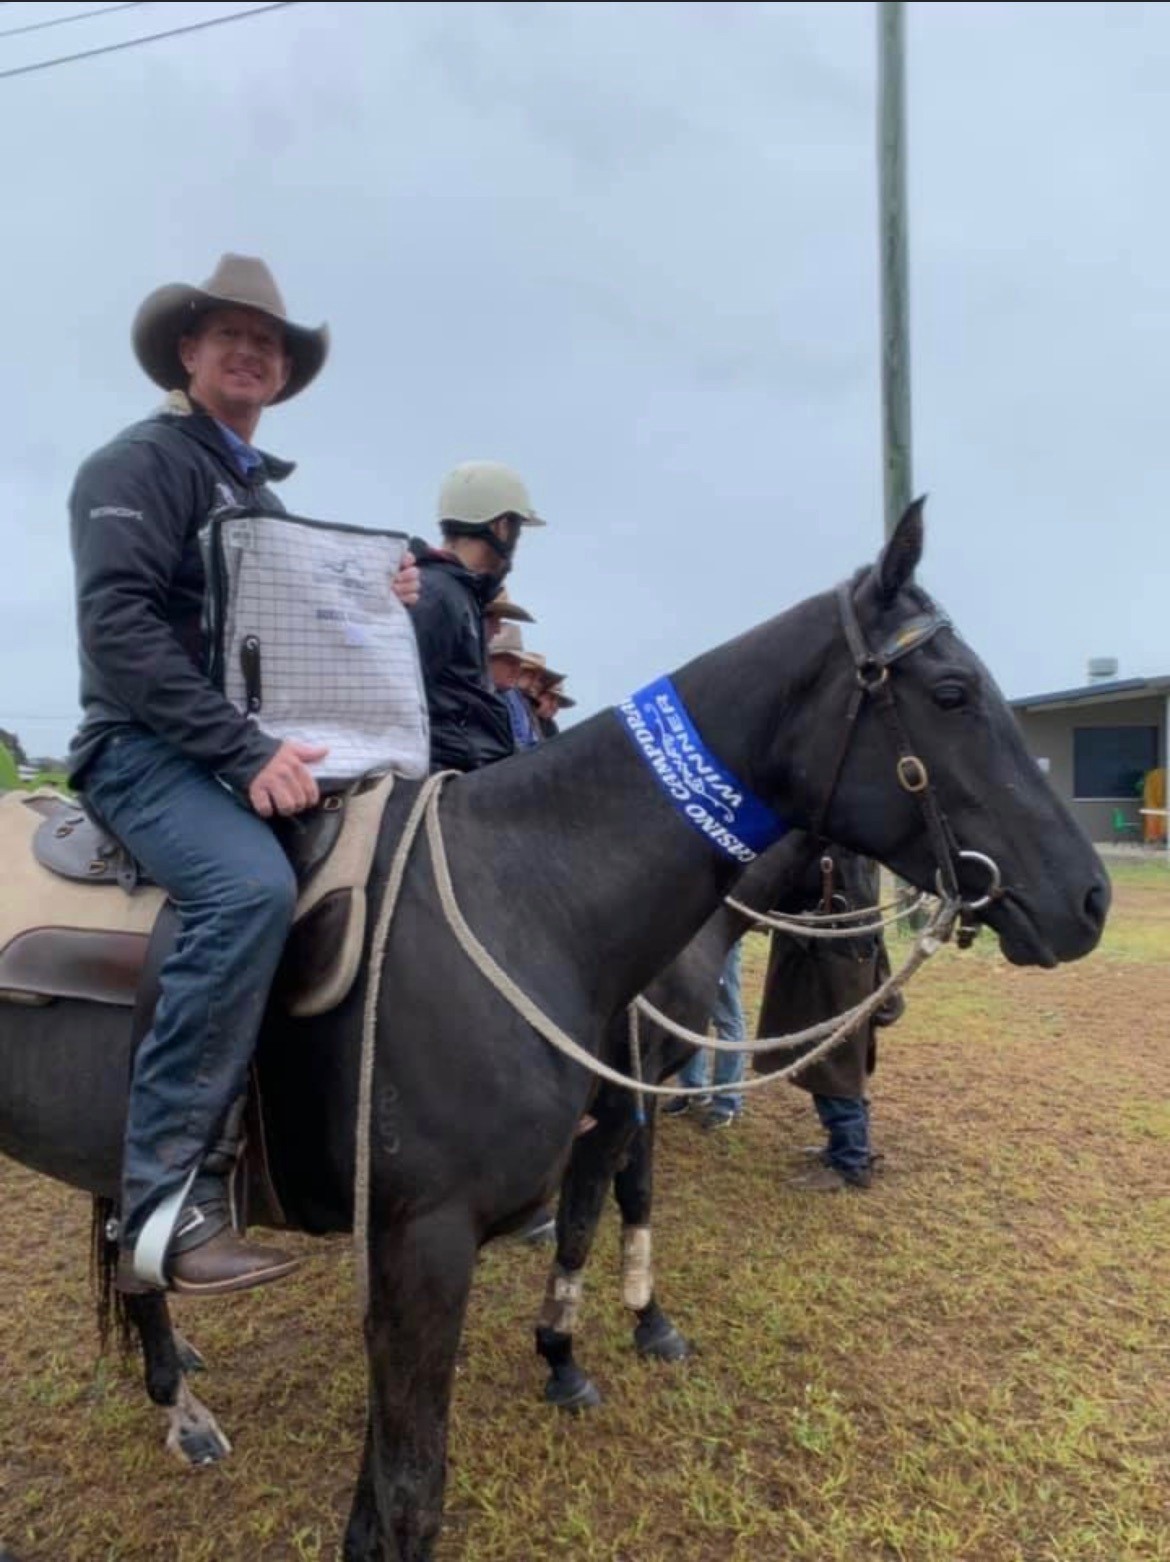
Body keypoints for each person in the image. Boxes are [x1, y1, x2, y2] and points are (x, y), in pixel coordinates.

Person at [67, 254, 419, 1296]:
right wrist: (243, 750)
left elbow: (299, 639)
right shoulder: (137, 466)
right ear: (188, 351)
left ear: (285, 371)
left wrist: (381, 593)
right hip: (144, 750)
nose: (252, 352)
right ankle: (165, 1200)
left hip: (240, 752)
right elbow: (118, 628)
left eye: (268, 342)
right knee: (247, 889)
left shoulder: (257, 495)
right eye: (230, 333)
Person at [408, 462, 545, 774]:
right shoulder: (439, 595)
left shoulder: (458, 593)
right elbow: (403, 698)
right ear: (501, 527)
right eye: (517, 530)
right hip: (445, 778)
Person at [663, 938, 748, 1130]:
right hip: (688, 938)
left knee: (726, 1018)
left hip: (719, 939)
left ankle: (726, 1102)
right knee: (690, 1014)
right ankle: (694, 1089)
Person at [488, 622, 543, 751]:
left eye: (519, 664)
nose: (517, 670)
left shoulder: (517, 697)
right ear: (487, 660)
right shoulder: (470, 696)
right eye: (511, 662)